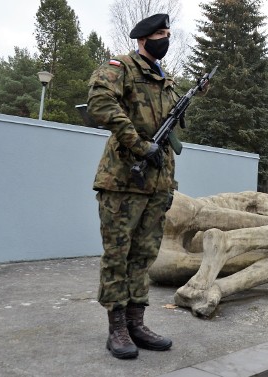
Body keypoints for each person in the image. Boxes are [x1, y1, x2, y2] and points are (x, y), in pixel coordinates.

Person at [87, 13, 179, 359]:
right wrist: (139, 144)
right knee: (118, 256)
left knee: (143, 257)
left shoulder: (165, 80)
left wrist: (166, 179)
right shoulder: (121, 67)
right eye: (160, 34)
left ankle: (137, 323)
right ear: (143, 39)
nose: (165, 39)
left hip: (156, 183)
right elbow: (99, 103)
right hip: (123, 180)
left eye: (168, 34)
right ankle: (117, 329)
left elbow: (167, 131)